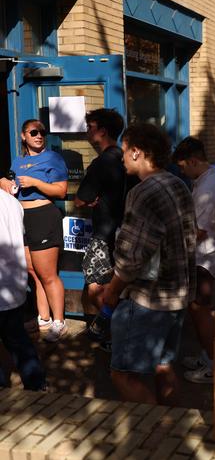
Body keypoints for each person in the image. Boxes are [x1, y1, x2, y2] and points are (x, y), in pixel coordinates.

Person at [103, 124, 197, 405]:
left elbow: (132, 257)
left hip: (148, 300)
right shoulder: (177, 184)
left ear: (136, 152)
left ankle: (153, 434)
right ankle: (171, 433)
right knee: (164, 366)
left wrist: (112, 289)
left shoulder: (143, 193)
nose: (121, 158)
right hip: (177, 296)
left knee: (123, 375)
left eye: (123, 152)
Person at [0, 120, 68, 342]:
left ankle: (60, 322)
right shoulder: (18, 161)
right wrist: (6, 185)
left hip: (43, 216)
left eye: (42, 132)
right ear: (23, 136)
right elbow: (10, 183)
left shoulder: (53, 158)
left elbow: (61, 191)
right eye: (34, 132)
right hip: (22, 217)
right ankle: (44, 318)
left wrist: (36, 183)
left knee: (48, 274)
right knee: (33, 272)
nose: (39, 136)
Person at [172, 136, 215, 385]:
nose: (182, 172)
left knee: (200, 310)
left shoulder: (208, 187)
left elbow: (198, 230)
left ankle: (214, 364)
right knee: (197, 309)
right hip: (207, 254)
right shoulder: (206, 181)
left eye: (183, 166)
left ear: (194, 160)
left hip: (205, 257)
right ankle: (208, 356)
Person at [74, 109, 126, 345]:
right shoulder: (125, 158)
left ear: (101, 131)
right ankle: (117, 336)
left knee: (97, 289)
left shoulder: (102, 162)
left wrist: (87, 200)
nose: (87, 132)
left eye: (90, 127)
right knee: (114, 287)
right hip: (123, 233)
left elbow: (80, 199)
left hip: (104, 234)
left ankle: (115, 338)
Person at [0, 190, 47, 391]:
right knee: (18, 339)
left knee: (17, 339)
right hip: (14, 286)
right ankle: (37, 386)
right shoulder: (11, 201)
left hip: (6, 288)